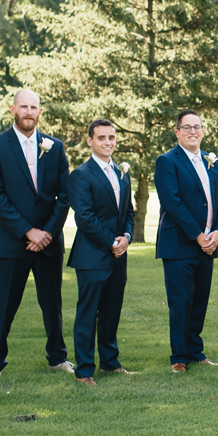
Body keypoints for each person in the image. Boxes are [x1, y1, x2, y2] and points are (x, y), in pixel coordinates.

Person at [0, 89, 72, 383]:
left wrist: (47, 232)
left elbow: (64, 195)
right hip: (11, 242)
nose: (29, 112)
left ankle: (57, 358)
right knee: (3, 306)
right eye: (24, 106)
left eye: (34, 107)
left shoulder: (54, 147)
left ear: (40, 112)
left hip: (48, 242)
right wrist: (27, 230)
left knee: (52, 305)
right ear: (13, 109)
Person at [154, 110, 218, 373]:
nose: (192, 132)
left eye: (197, 127)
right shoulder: (167, 161)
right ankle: (179, 357)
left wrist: (217, 233)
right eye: (186, 127)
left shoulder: (213, 161)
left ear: (203, 130)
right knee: (180, 302)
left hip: (209, 244)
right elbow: (172, 203)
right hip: (179, 244)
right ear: (177, 132)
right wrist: (199, 235)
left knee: (199, 300)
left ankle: (196, 351)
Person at [66, 119, 136, 385]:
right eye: (102, 138)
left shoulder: (122, 172)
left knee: (111, 311)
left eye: (111, 138)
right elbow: (84, 218)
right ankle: (84, 370)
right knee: (89, 313)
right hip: (92, 255)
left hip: (119, 256)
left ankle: (109, 362)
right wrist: (112, 242)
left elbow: (128, 212)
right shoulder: (81, 175)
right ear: (90, 141)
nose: (108, 143)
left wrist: (126, 238)